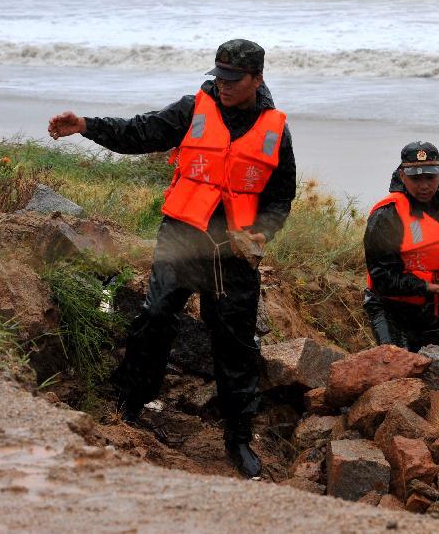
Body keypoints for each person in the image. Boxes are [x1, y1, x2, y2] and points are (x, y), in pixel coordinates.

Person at [47, 39, 295, 478]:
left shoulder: (276, 129)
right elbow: (139, 133)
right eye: (219, 76)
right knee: (156, 315)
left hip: (233, 253)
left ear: (257, 79)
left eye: (234, 80)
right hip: (182, 234)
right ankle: (129, 403)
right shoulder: (192, 108)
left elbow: (281, 196)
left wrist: (264, 232)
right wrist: (85, 125)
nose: (223, 85)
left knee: (234, 342)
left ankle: (238, 439)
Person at [363, 141, 439, 351]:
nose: (424, 185)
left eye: (430, 177)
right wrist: (430, 288)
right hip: (390, 308)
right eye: (415, 178)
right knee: (396, 364)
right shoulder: (387, 215)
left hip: (432, 309)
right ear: (402, 176)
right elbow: (382, 278)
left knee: (430, 368)